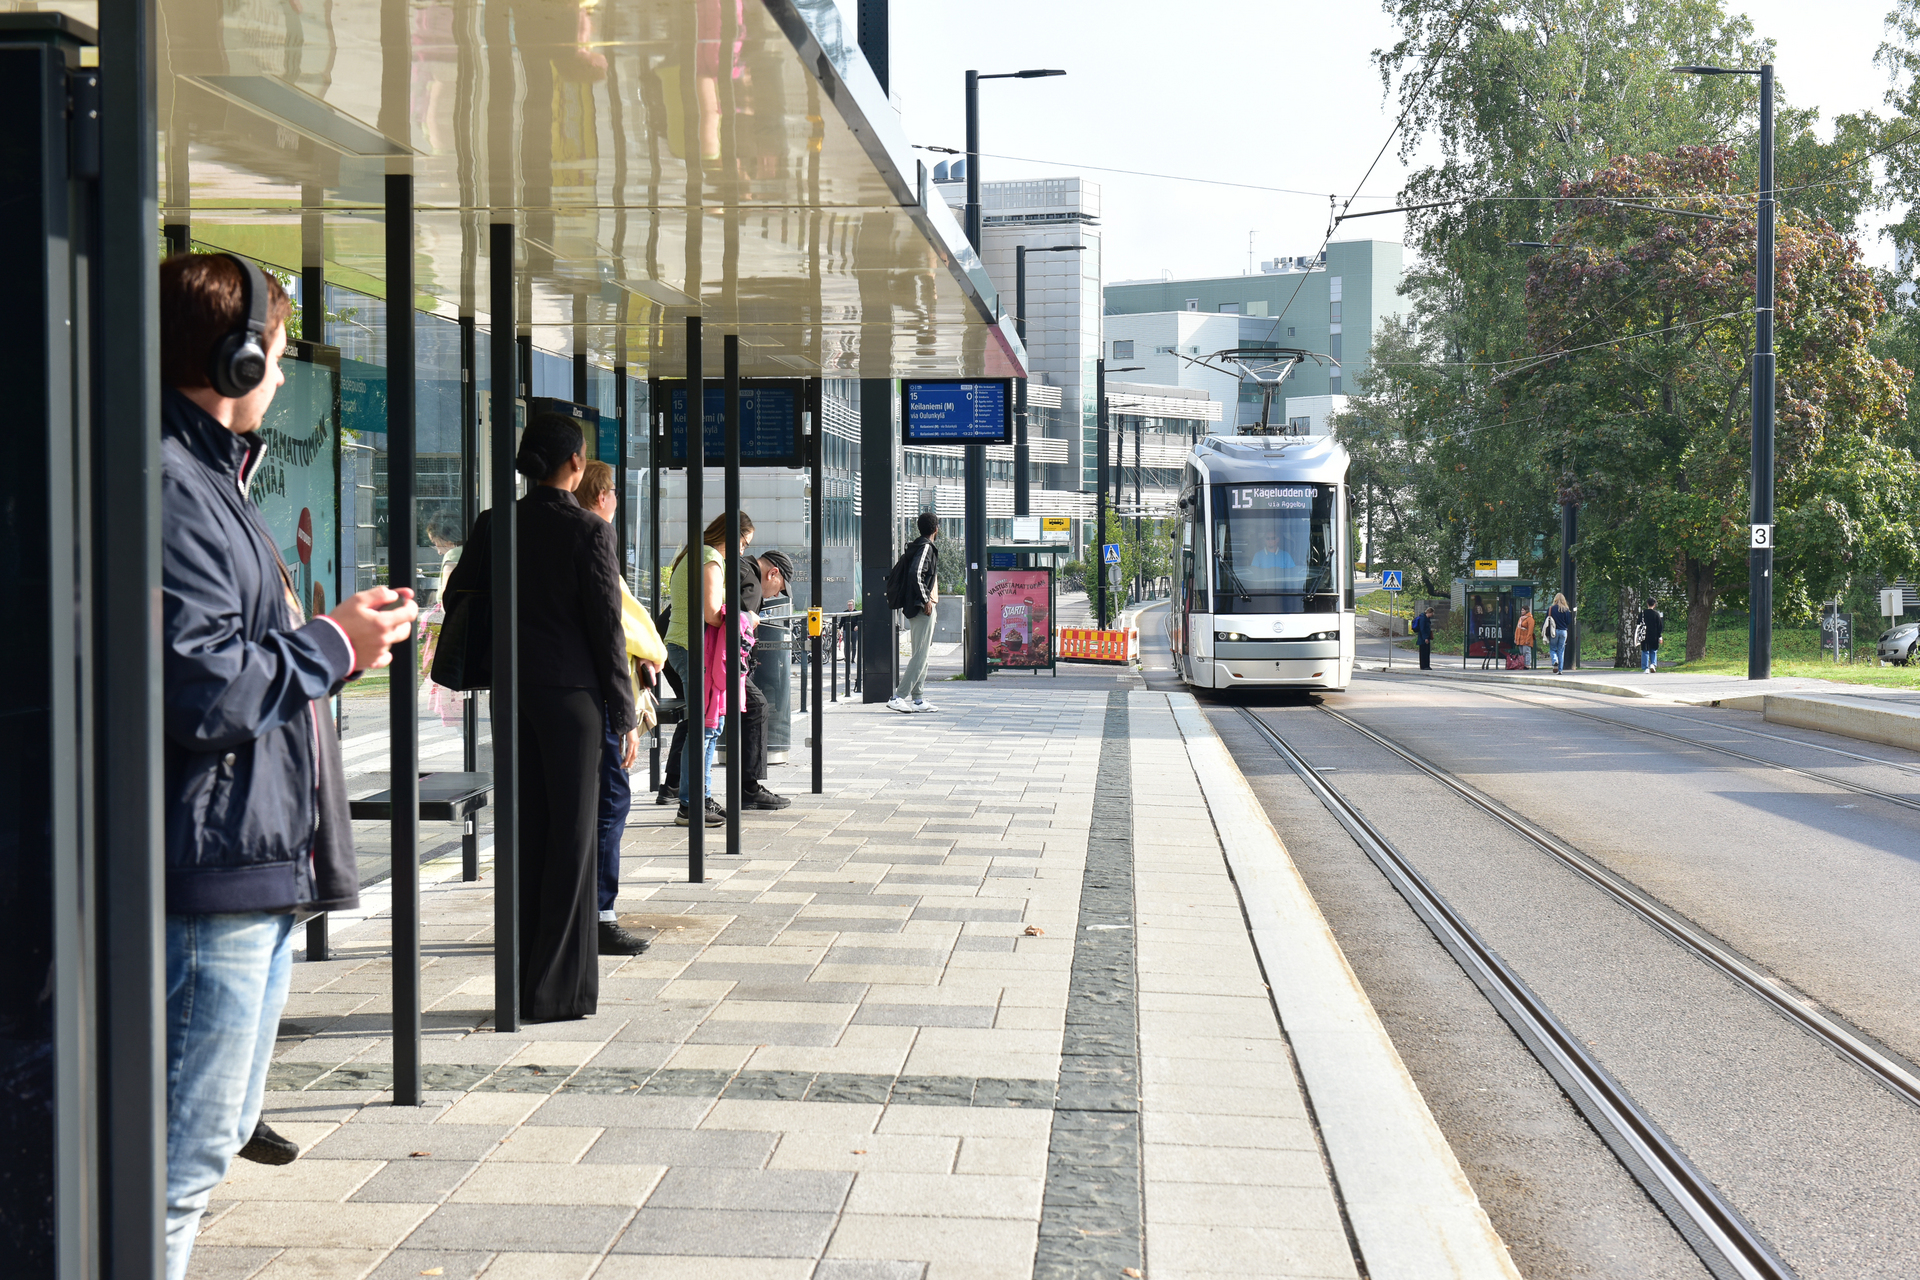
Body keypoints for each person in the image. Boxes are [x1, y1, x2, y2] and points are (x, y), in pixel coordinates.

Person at [158, 253, 417, 1280]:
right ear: (240, 353)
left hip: (246, 868)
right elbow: (201, 686)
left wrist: (332, 638)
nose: (279, 368)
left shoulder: (210, 482)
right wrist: (332, 645)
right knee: (176, 1167)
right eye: (275, 343)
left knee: (197, 1153)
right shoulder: (174, 489)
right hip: (207, 876)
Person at [446, 413, 636, 1019]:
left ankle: (523, 978)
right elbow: (607, 629)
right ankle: (560, 989)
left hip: (513, 694)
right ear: (575, 464)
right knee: (574, 839)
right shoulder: (588, 532)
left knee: (525, 832)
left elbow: (459, 599)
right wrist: (625, 712)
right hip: (574, 701)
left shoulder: (493, 524)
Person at [576, 461, 666, 955]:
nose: (614, 499)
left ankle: (573, 910)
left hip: (560, 697)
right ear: (602, 495)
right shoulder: (594, 537)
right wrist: (627, 714)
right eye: (611, 490)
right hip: (602, 699)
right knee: (611, 801)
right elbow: (627, 630)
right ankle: (599, 913)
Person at [660, 513, 757, 826]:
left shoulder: (694, 552)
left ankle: (697, 798)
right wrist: (747, 620)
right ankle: (692, 803)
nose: (742, 551)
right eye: (742, 543)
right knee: (707, 727)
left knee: (701, 725)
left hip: (684, 645)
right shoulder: (711, 558)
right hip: (694, 647)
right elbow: (714, 614)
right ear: (729, 536)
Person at [736, 547, 796, 810]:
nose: (776, 594)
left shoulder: (740, 569)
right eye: (779, 588)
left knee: (698, 715)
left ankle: (672, 784)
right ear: (773, 573)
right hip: (720, 659)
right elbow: (740, 628)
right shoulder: (750, 580)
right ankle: (749, 788)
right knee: (757, 706)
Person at [887, 512, 941, 713]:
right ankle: (898, 697)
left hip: (918, 606)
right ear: (936, 529)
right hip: (922, 607)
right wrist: (926, 599)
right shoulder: (926, 547)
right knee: (919, 655)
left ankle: (918, 699)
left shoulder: (918, 546)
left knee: (923, 654)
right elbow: (916, 574)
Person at [1546, 592, 1574, 674]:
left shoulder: (1551, 609)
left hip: (1554, 632)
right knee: (1561, 650)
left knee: (1553, 648)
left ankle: (1555, 660)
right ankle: (1560, 670)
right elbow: (1568, 622)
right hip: (1563, 631)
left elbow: (1547, 620)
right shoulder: (1566, 610)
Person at [1640, 599, 1666, 672]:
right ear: (1654, 605)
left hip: (1644, 635)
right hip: (1654, 635)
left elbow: (1638, 624)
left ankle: (1645, 668)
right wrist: (1659, 636)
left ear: (1647, 604)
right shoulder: (1656, 614)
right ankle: (1653, 664)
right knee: (1653, 650)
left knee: (1645, 651)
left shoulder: (1642, 613)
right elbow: (1660, 626)